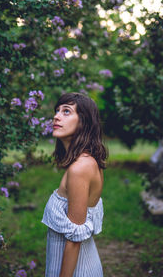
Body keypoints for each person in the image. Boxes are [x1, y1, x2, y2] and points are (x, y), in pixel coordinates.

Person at [42, 92, 107, 277]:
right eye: (57, 111)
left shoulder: (80, 168)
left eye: (67, 111)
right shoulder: (84, 161)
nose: (56, 116)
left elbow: (75, 238)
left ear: (83, 122)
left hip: (78, 271)